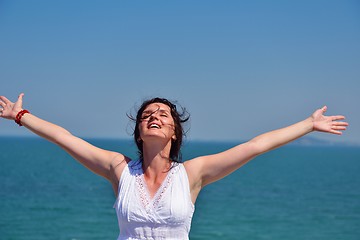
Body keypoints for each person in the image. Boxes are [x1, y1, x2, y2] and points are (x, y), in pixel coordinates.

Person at [0, 93, 348, 239]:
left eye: (162, 115)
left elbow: (255, 146)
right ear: (138, 129)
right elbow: (65, 138)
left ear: (173, 131)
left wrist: (308, 124)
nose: (153, 117)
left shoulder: (192, 174)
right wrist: (20, 115)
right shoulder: (117, 168)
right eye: (147, 115)